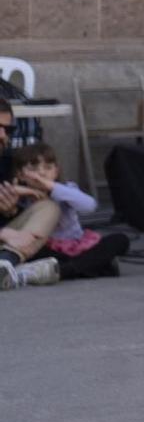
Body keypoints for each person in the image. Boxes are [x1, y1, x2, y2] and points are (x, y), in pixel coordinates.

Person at [4, 141, 129, 279]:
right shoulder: (22, 197)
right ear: (20, 174)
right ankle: (94, 268)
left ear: (56, 171)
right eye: (33, 169)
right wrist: (18, 194)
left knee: (120, 240)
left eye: (48, 167)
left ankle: (64, 271)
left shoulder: (65, 189)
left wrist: (51, 186)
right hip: (47, 249)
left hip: (75, 245)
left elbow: (89, 205)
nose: (41, 173)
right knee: (34, 254)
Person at [0, 104, 62, 289]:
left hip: (11, 244)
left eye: (8, 129)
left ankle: (6, 263)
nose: (2, 135)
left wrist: (10, 211)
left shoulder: (11, 162)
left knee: (48, 207)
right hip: (7, 237)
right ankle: (23, 273)